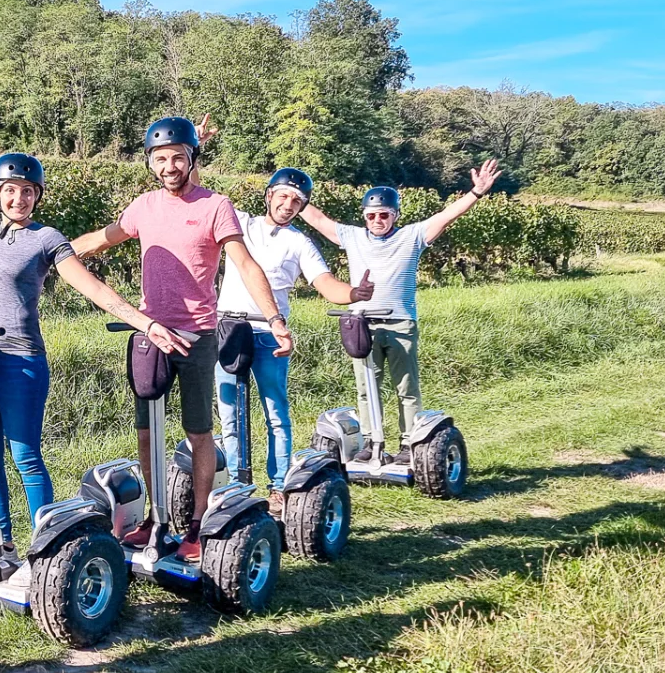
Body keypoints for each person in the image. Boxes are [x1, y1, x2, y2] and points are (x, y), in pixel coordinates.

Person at [0, 75, 191, 552]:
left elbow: (93, 287)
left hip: (20, 360)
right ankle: (1, 546)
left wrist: (145, 322)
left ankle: (47, 548)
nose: (19, 199)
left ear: (37, 196)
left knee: (25, 456)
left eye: (27, 191)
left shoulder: (46, 239)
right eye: (10, 190)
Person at [70, 116, 294, 562]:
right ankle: (157, 520)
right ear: (151, 163)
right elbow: (101, 239)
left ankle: (195, 526)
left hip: (197, 336)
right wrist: (52, 252)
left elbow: (245, 264)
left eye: (177, 157)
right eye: (160, 159)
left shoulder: (216, 206)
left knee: (199, 433)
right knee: (146, 433)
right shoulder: (144, 206)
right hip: (151, 336)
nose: (168, 165)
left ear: (191, 159)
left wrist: (275, 318)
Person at [296, 160, 502, 453]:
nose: (377, 220)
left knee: (406, 387)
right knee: (367, 387)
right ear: (365, 216)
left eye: (384, 215)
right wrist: (291, 192)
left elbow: (446, 216)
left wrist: (476, 193)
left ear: (394, 216)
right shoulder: (352, 236)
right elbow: (317, 219)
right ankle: (370, 440)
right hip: (362, 324)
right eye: (372, 215)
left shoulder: (413, 236)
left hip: (400, 323)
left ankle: (409, 442)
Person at [212, 168, 373, 515]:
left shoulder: (298, 242)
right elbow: (198, 195)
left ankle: (278, 486)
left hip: (271, 334)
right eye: (283, 197)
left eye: (296, 202)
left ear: (302, 208)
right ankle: (239, 486)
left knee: (275, 412)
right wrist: (197, 150)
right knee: (230, 413)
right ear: (269, 195)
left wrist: (353, 293)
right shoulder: (240, 223)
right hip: (228, 327)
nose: (288, 205)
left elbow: (324, 281)